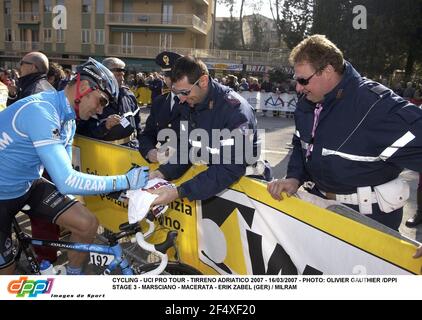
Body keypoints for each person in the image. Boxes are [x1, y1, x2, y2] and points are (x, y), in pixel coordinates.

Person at [0, 58, 148, 275]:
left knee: (87, 224)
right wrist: (123, 180)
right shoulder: (41, 110)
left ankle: (72, 279)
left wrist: (118, 190)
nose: (100, 110)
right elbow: (67, 181)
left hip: (27, 184)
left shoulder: (69, 120)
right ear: (85, 88)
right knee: (7, 275)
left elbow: (67, 173)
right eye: (102, 101)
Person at [267, 34, 422, 232]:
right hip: (321, 213)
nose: (298, 87)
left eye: (303, 80)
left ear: (328, 71)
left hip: (369, 224)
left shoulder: (376, 107)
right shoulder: (308, 102)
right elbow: (301, 144)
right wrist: (295, 177)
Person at [146, 56, 261, 206]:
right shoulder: (189, 103)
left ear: (204, 81)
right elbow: (188, 147)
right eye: (176, 92)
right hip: (210, 182)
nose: (180, 99)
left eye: (185, 92)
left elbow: (230, 166)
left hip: (245, 190)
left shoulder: (236, 111)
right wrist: (161, 173)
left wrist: (179, 191)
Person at [76, 57, 141, 146]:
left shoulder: (129, 94)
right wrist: (105, 126)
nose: (122, 79)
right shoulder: (93, 97)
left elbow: (138, 123)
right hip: (105, 152)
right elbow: (82, 131)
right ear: (105, 74)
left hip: (131, 148)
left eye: (123, 75)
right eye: (118, 75)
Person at [138, 51, 182, 163]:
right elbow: (147, 133)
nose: (171, 80)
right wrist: (149, 151)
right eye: (167, 75)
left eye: (176, 76)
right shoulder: (159, 102)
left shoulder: (196, 103)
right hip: (162, 169)